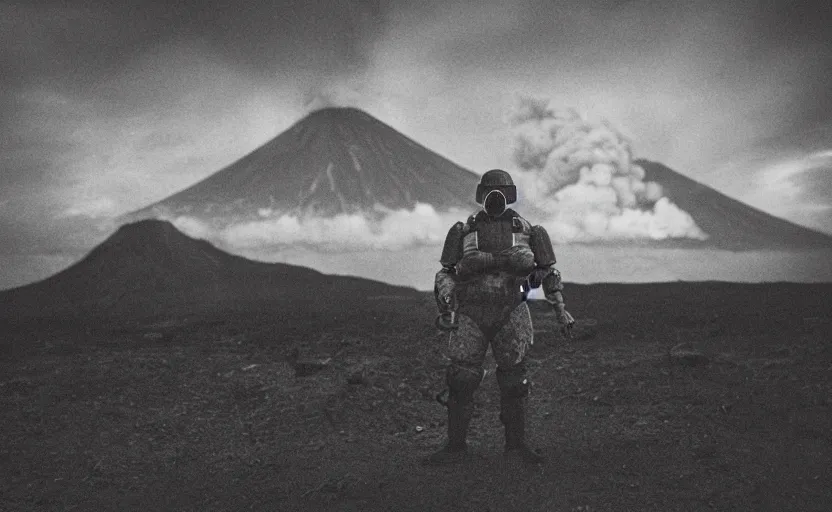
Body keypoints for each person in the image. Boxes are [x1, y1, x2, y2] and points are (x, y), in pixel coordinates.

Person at [428, 169, 575, 465]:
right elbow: (446, 271)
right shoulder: (464, 230)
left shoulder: (528, 230)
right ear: (483, 194)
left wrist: (559, 306)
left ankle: (515, 447)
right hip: (472, 310)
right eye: (492, 193)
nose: (496, 199)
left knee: (514, 381)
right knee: (461, 379)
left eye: (501, 193)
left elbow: (547, 271)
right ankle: (456, 447)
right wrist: (447, 299)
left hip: (511, 307)